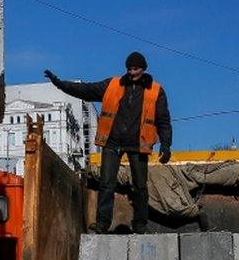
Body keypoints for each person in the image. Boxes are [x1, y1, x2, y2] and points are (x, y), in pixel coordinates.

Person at [44, 51, 172, 234]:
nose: (132, 72)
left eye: (135, 69)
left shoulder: (156, 90)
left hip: (138, 144)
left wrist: (166, 145)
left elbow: (163, 120)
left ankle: (140, 225)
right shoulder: (113, 84)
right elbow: (86, 90)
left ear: (143, 69)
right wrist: (59, 83)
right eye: (129, 69)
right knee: (106, 183)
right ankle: (102, 224)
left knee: (140, 186)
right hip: (112, 142)